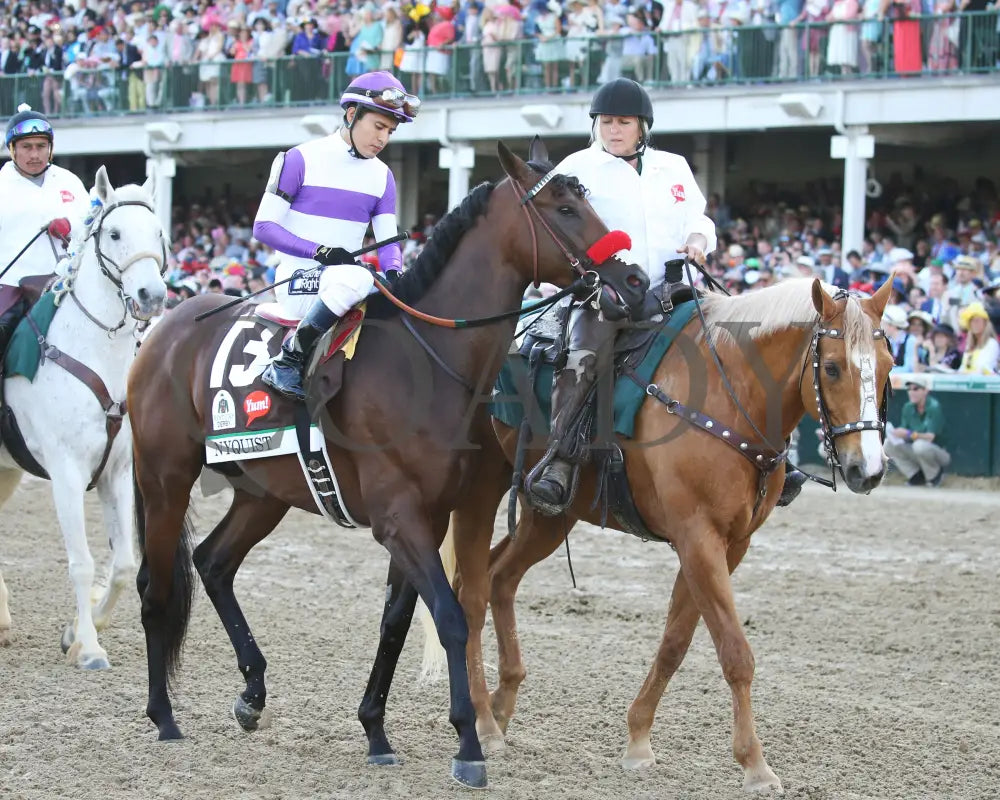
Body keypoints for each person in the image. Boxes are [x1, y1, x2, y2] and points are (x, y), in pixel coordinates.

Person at [527, 77, 718, 508]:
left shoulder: (675, 166)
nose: (613, 130)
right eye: (606, 121)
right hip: (606, 294)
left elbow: (699, 217)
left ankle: (764, 452)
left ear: (642, 127)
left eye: (623, 122)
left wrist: (699, 242)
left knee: (733, 342)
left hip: (677, 287)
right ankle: (560, 459)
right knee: (583, 357)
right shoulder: (576, 167)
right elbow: (553, 229)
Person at [253, 71, 416, 401]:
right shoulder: (299, 159)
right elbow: (263, 227)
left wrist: (396, 273)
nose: (383, 139)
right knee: (356, 277)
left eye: (390, 132)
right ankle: (288, 360)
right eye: (378, 127)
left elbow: (388, 242)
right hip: (299, 279)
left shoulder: (383, 176)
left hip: (344, 280)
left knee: (387, 286)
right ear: (353, 114)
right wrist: (319, 251)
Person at [0, 105, 88, 354]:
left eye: (41, 146)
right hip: (11, 287)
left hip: (68, 284)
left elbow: (92, 223)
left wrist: (70, 225)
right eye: (27, 147)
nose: (35, 154)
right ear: (12, 149)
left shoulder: (69, 181)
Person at [884, 375, 950, 487]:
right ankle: (916, 476)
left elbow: (930, 437)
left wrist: (909, 434)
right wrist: (898, 433)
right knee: (887, 444)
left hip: (940, 454)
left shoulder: (934, 407)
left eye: (915, 389)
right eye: (909, 389)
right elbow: (905, 431)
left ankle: (934, 476)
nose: (911, 392)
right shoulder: (908, 407)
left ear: (925, 391)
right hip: (916, 449)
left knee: (920, 446)